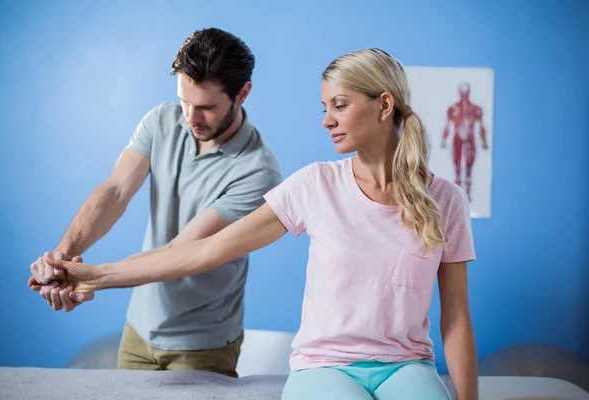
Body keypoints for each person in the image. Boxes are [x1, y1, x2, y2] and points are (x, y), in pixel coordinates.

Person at [39, 48, 478, 399]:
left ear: (383, 105)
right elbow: (205, 250)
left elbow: (456, 319)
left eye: (339, 106)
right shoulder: (315, 185)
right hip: (325, 366)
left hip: (408, 366)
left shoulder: (446, 200)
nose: (326, 120)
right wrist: (93, 275)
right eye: (324, 106)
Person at [28, 27, 282, 376]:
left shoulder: (258, 171)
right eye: (185, 101)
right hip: (138, 330)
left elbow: (182, 252)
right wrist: (61, 257)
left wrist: (93, 278)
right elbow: (115, 190)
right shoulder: (162, 120)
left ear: (242, 94)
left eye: (206, 107)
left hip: (201, 346)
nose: (191, 118)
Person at [441, 82, 489, 198]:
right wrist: (444, 140)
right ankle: (458, 192)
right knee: (457, 164)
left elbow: (481, 127)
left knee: (469, 165)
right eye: (462, 93)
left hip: (470, 138)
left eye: (466, 93)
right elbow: (447, 126)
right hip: (458, 137)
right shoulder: (453, 108)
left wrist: (484, 141)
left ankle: (467, 192)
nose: (464, 96)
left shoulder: (476, 109)